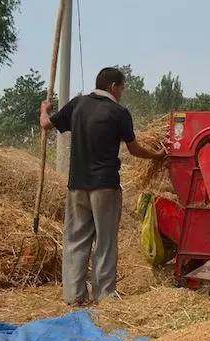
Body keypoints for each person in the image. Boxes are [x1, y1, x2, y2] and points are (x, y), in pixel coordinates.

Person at [39, 67, 165, 305]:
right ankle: (104, 297)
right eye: (122, 88)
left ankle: (74, 296)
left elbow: (46, 124)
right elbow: (135, 149)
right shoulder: (118, 112)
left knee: (76, 239)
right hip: (105, 187)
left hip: (77, 185)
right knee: (105, 242)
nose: (122, 93)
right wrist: (158, 155)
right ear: (113, 87)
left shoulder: (77, 105)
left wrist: (44, 110)